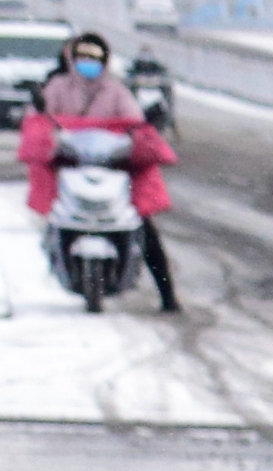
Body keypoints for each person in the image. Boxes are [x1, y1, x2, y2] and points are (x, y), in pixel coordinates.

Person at [20, 30, 180, 313]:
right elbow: (39, 120)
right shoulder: (57, 88)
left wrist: (137, 138)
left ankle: (167, 294)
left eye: (95, 58)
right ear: (72, 58)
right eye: (83, 56)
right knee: (54, 215)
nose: (88, 63)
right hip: (71, 167)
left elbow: (135, 123)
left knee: (145, 230)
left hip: (113, 167)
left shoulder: (116, 91)